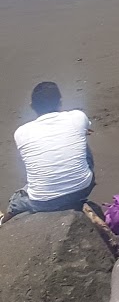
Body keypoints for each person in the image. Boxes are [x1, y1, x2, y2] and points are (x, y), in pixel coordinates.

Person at [6, 82, 95, 220]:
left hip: (42, 202)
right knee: (82, 137)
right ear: (60, 102)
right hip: (82, 188)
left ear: (32, 106)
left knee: (17, 199)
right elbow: (87, 128)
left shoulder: (21, 132)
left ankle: (6, 218)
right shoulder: (77, 116)